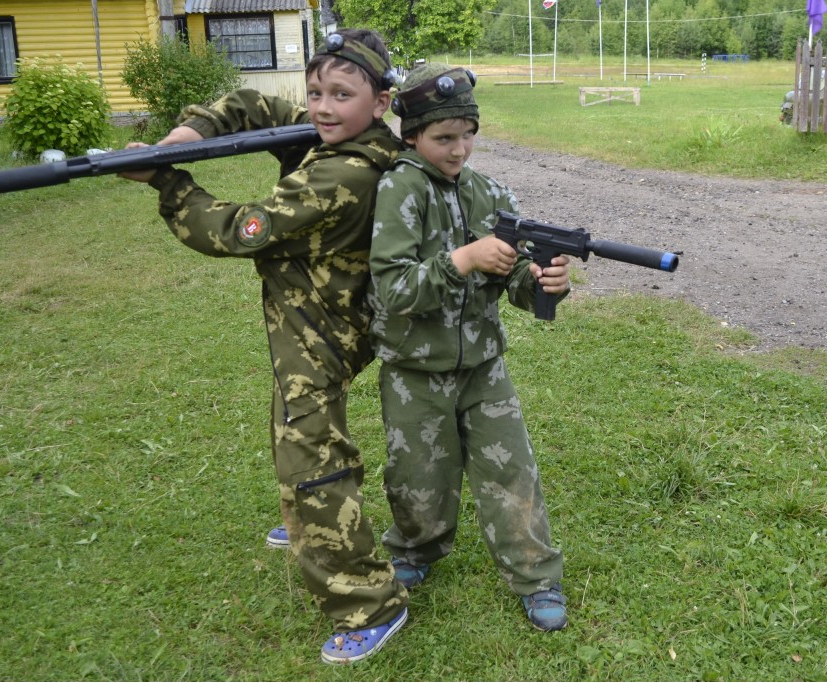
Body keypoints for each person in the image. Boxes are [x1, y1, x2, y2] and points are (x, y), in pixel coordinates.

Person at [119, 29, 409, 664]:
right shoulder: (343, 135)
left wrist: (166, 179)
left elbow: (234, 230)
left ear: (381, 102)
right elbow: (256, 102)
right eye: (315, 92)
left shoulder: (344, 173)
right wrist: (191, 132)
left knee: (312, 459)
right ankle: (308, 522)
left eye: (341, 94)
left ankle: (370, 602)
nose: (322, 107)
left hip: (325, 331)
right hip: (310, 320)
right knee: (294, 432)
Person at [366, 62, 571, 631]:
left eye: (468, 134)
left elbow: (516, 276)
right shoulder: (399, 190)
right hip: (414, 370)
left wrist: (542, 281)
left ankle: (536, 577)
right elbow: (392, 289)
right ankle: (414, 549)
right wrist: (463, 259)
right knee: (418, 475)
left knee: (513, 472)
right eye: (444, 138)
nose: (459, 150)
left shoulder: (490, 194)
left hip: (484, 367)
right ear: (412, 136)